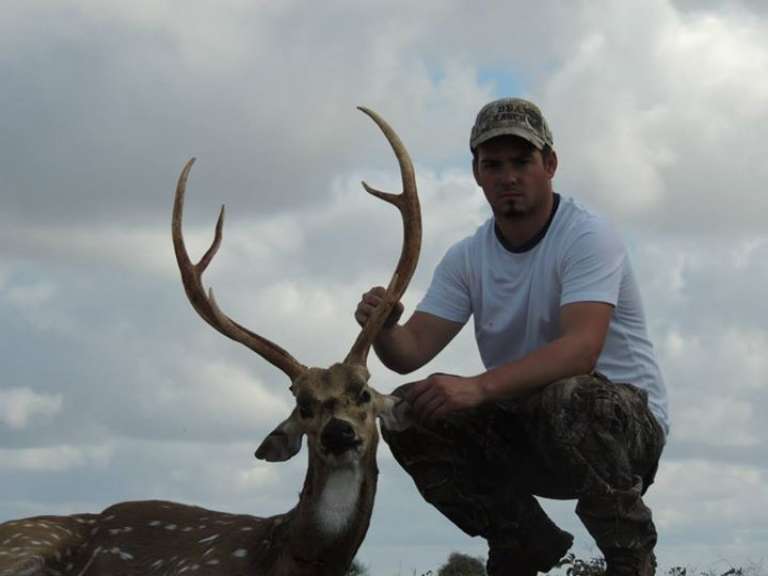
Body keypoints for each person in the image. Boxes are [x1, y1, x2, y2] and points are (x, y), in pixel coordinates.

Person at [354, 97, 669, 576]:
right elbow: (408, 353)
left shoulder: (587, 236)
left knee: (570, 396)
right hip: (533, 431)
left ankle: (630, 559)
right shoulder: (467, 257)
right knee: (407, 412)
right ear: (477, 174)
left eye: (522, 161)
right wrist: (384, 327)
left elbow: (582, 350)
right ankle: (521, 540)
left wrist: (477, 387)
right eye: (493, 165)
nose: (508, 176)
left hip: (623, 430)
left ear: (550, 164)